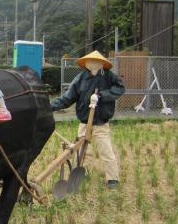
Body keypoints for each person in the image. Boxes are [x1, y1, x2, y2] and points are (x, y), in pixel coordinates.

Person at [50, 50, 125, 188]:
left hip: (101, 122)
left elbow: (120, 88)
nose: (92, 64)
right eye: (90, 62)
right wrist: (50, 107)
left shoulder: (108, 76)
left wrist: (102, 95)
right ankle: (83, 173)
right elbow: (68, 97)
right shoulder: (81, 78)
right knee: (83, 151)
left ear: (101, 63)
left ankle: (112, 178)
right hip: (85, 121)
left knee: (105, 150)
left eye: (95, 62)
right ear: (86, 64)